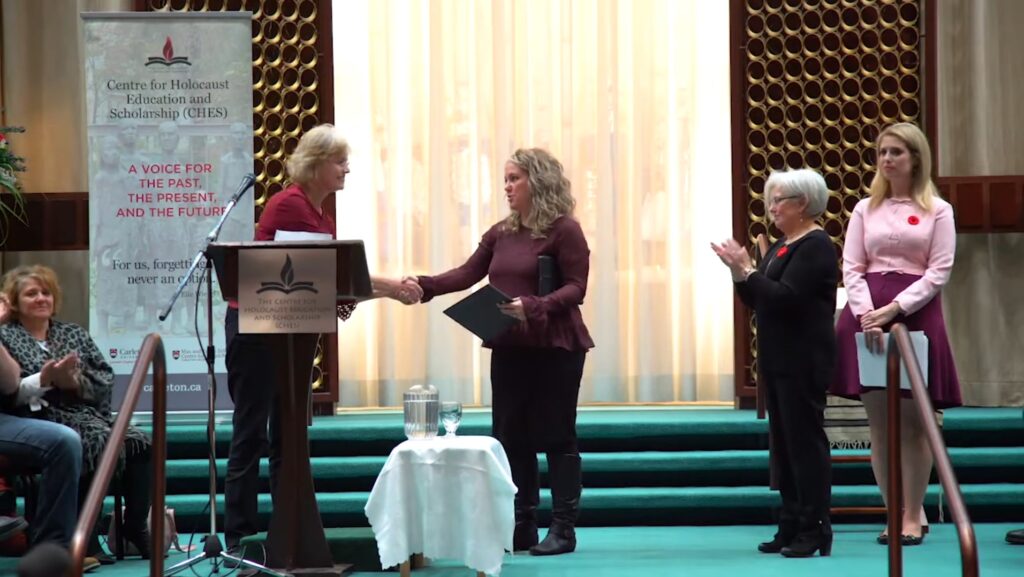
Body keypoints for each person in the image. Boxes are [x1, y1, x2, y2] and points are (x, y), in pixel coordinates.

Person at [223, 124, 421, 558]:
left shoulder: (319, 212)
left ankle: (284, 526)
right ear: (315, 165)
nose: (346, 168)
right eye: (339, 161)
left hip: (286, 333)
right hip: (257, 332)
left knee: (286, 435)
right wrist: (393, 286)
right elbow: (330, 277)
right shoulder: (291, 205)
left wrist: (391, 289)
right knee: (251, 433)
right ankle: (239, 534)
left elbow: (333, 280)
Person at [406, 148, 593, 556]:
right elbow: (467, 274)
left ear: (537, 181)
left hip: (555, 345)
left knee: (557, 435)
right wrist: (422, 285)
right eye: (505, 179)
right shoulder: (501, 232)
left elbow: (577, 287)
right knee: (510, 437)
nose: (506, 187)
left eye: (514, 179)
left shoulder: (565, 230)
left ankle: (563, 529)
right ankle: (522, 523)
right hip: (510, 344)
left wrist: (534, 305)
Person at [830, 122, 960, 546]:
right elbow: (851, 265)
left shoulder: (938, 209)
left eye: (896, 153)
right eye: (882, 152)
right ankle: (893, 511)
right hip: (865, 315)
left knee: (914, 424)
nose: (887, 160)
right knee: (880, 424)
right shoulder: (864, 208)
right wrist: (867, 311)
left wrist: (896, 308)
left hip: (914, 314)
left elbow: (939, 270)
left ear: (915, 158)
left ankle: (912, 512)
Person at [711, 168, 836, 558]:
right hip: (778, 359)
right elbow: (759, 298)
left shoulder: (815, 245)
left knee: (803, 445)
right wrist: (738, 271)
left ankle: (815, 527)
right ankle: (791, 520)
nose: (772, 207)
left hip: (803, 360)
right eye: (771, 199)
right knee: (783, 447)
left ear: (802, 203)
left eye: (779, 200)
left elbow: (785, 298)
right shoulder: (784, 244)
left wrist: (748, 268)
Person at [0, 265, 153, 562]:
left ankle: (133, 525)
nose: (42, 298)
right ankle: (87, 532)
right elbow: (10, 393)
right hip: (34, 417)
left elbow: (103, 378)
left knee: (138, 440)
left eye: (46, 292)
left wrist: (74, 383)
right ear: (16, 302)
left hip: (82, 411)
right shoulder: (6, 336)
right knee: (95, 440)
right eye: (32, 294)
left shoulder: (73, 333)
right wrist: (47, 381)